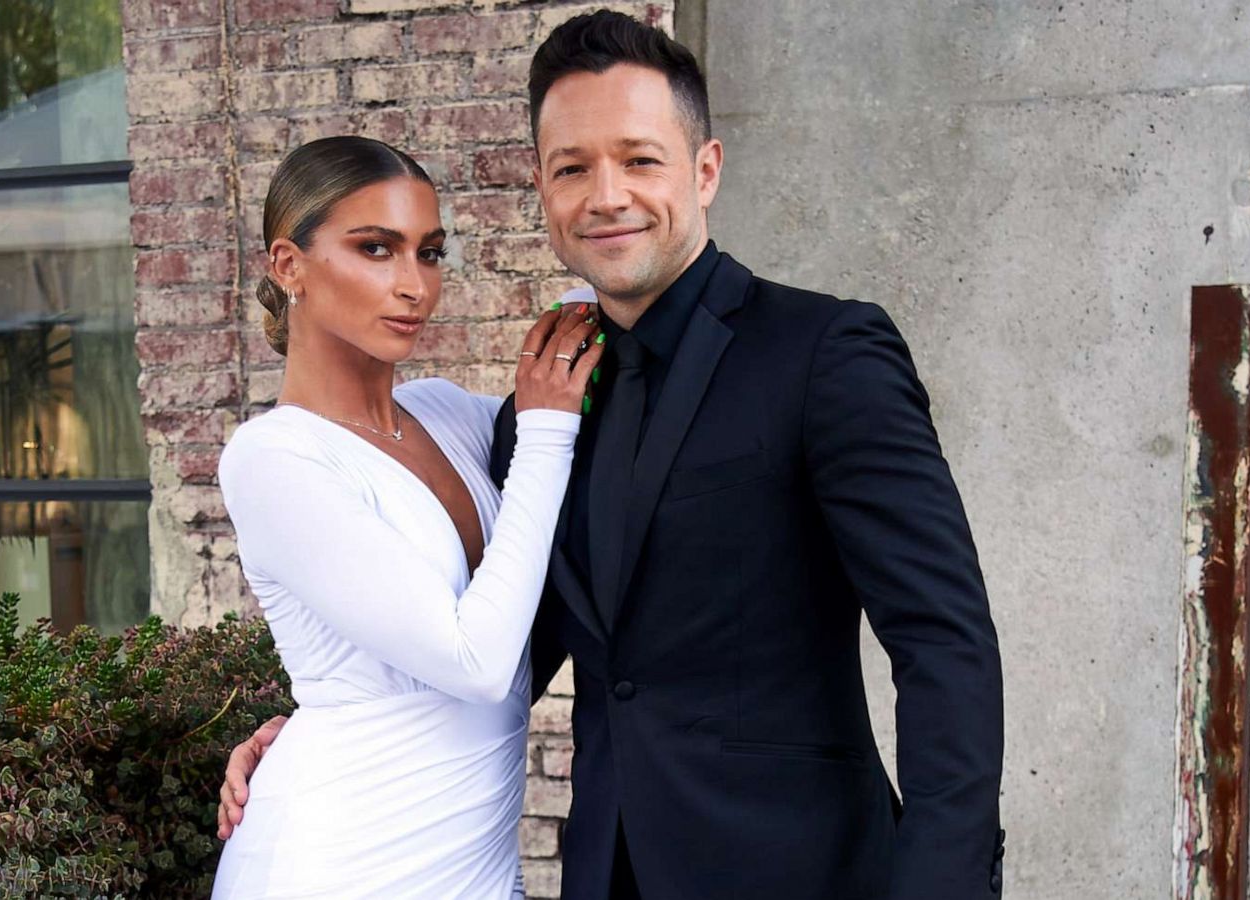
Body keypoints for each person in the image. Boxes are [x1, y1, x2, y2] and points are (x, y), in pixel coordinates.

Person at [221, 14, 1006, 900]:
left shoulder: (825, 353)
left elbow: (945, 645)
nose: (606, 196)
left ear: (704, 170)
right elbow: (498, 633)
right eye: (572, 168)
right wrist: (328, 722)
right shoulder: (536, 418)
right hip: (600, 872)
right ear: (541, 189)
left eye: (639, 159)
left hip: (801, 870)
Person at [209, 135, 603, 899]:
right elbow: (475, 663)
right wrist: (547, 428)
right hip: (335, 865)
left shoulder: (448, 414)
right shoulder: (271, 458)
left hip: (472, 863)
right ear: (288, 266)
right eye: (376, 248)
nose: (414, 284)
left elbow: (594, 359)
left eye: (429, 252)